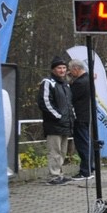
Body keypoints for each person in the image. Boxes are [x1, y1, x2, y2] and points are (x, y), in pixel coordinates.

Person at [38, 55, 73, 185]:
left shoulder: (66, 85)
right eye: (59, 68)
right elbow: (45, 102)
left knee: (62, 152)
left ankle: (59, 174)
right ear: (53, 69)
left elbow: (69, 104)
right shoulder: (48, 82)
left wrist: (71, 118)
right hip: (54, 124)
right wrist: (58, 116)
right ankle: (53, 176)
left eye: (64, 68)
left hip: (66, 124)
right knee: (54, 151)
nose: (62, 70)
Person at [67, 59, 95, 182]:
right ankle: (90, 167)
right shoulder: (89, 79)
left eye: (70, 70)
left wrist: (69, 82)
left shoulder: (79, 83)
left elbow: (70, 97)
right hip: (87, 115)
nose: (70, 73)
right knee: (87, 142)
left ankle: (85, 171)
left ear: (76, 69)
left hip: (80, 116)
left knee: (83, 144)